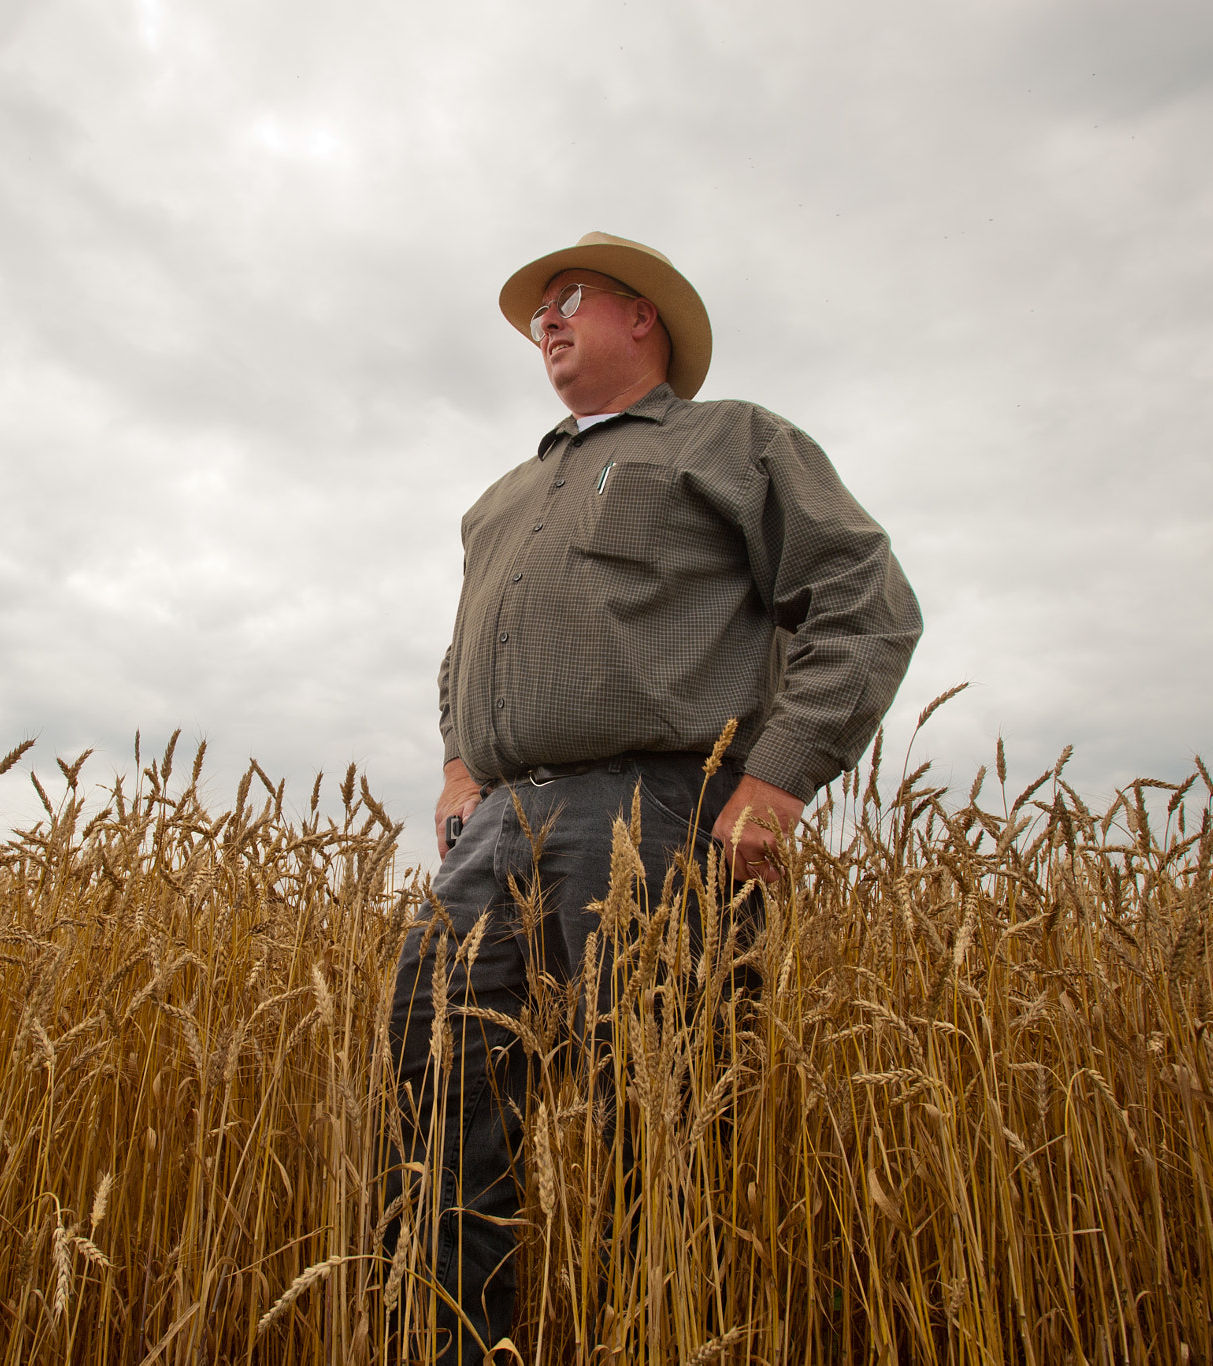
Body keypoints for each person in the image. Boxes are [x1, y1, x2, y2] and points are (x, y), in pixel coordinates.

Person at [389, 232, 921, 1362]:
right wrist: (455, 765)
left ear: (645, 319)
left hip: (656, 807)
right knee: (434, 1094)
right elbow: (462, 653)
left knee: (658, 1113)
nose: (544, 319)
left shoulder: (730, 440)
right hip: (492, 829)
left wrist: (777, 776)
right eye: (536, 308)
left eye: (567, 297)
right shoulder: (502, 497)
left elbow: (860, 599)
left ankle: (660, 1337)